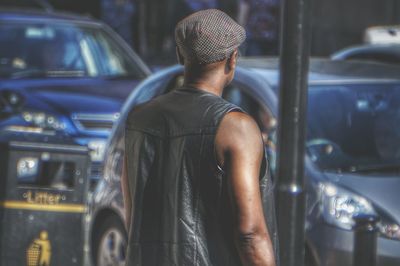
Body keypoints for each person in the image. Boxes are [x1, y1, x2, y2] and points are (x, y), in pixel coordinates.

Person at [122, 9, 278, 266]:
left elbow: (134, 216)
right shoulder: (236, 128)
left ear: (179, 55)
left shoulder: (139, 119)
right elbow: (250, 234)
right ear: (233, 59)